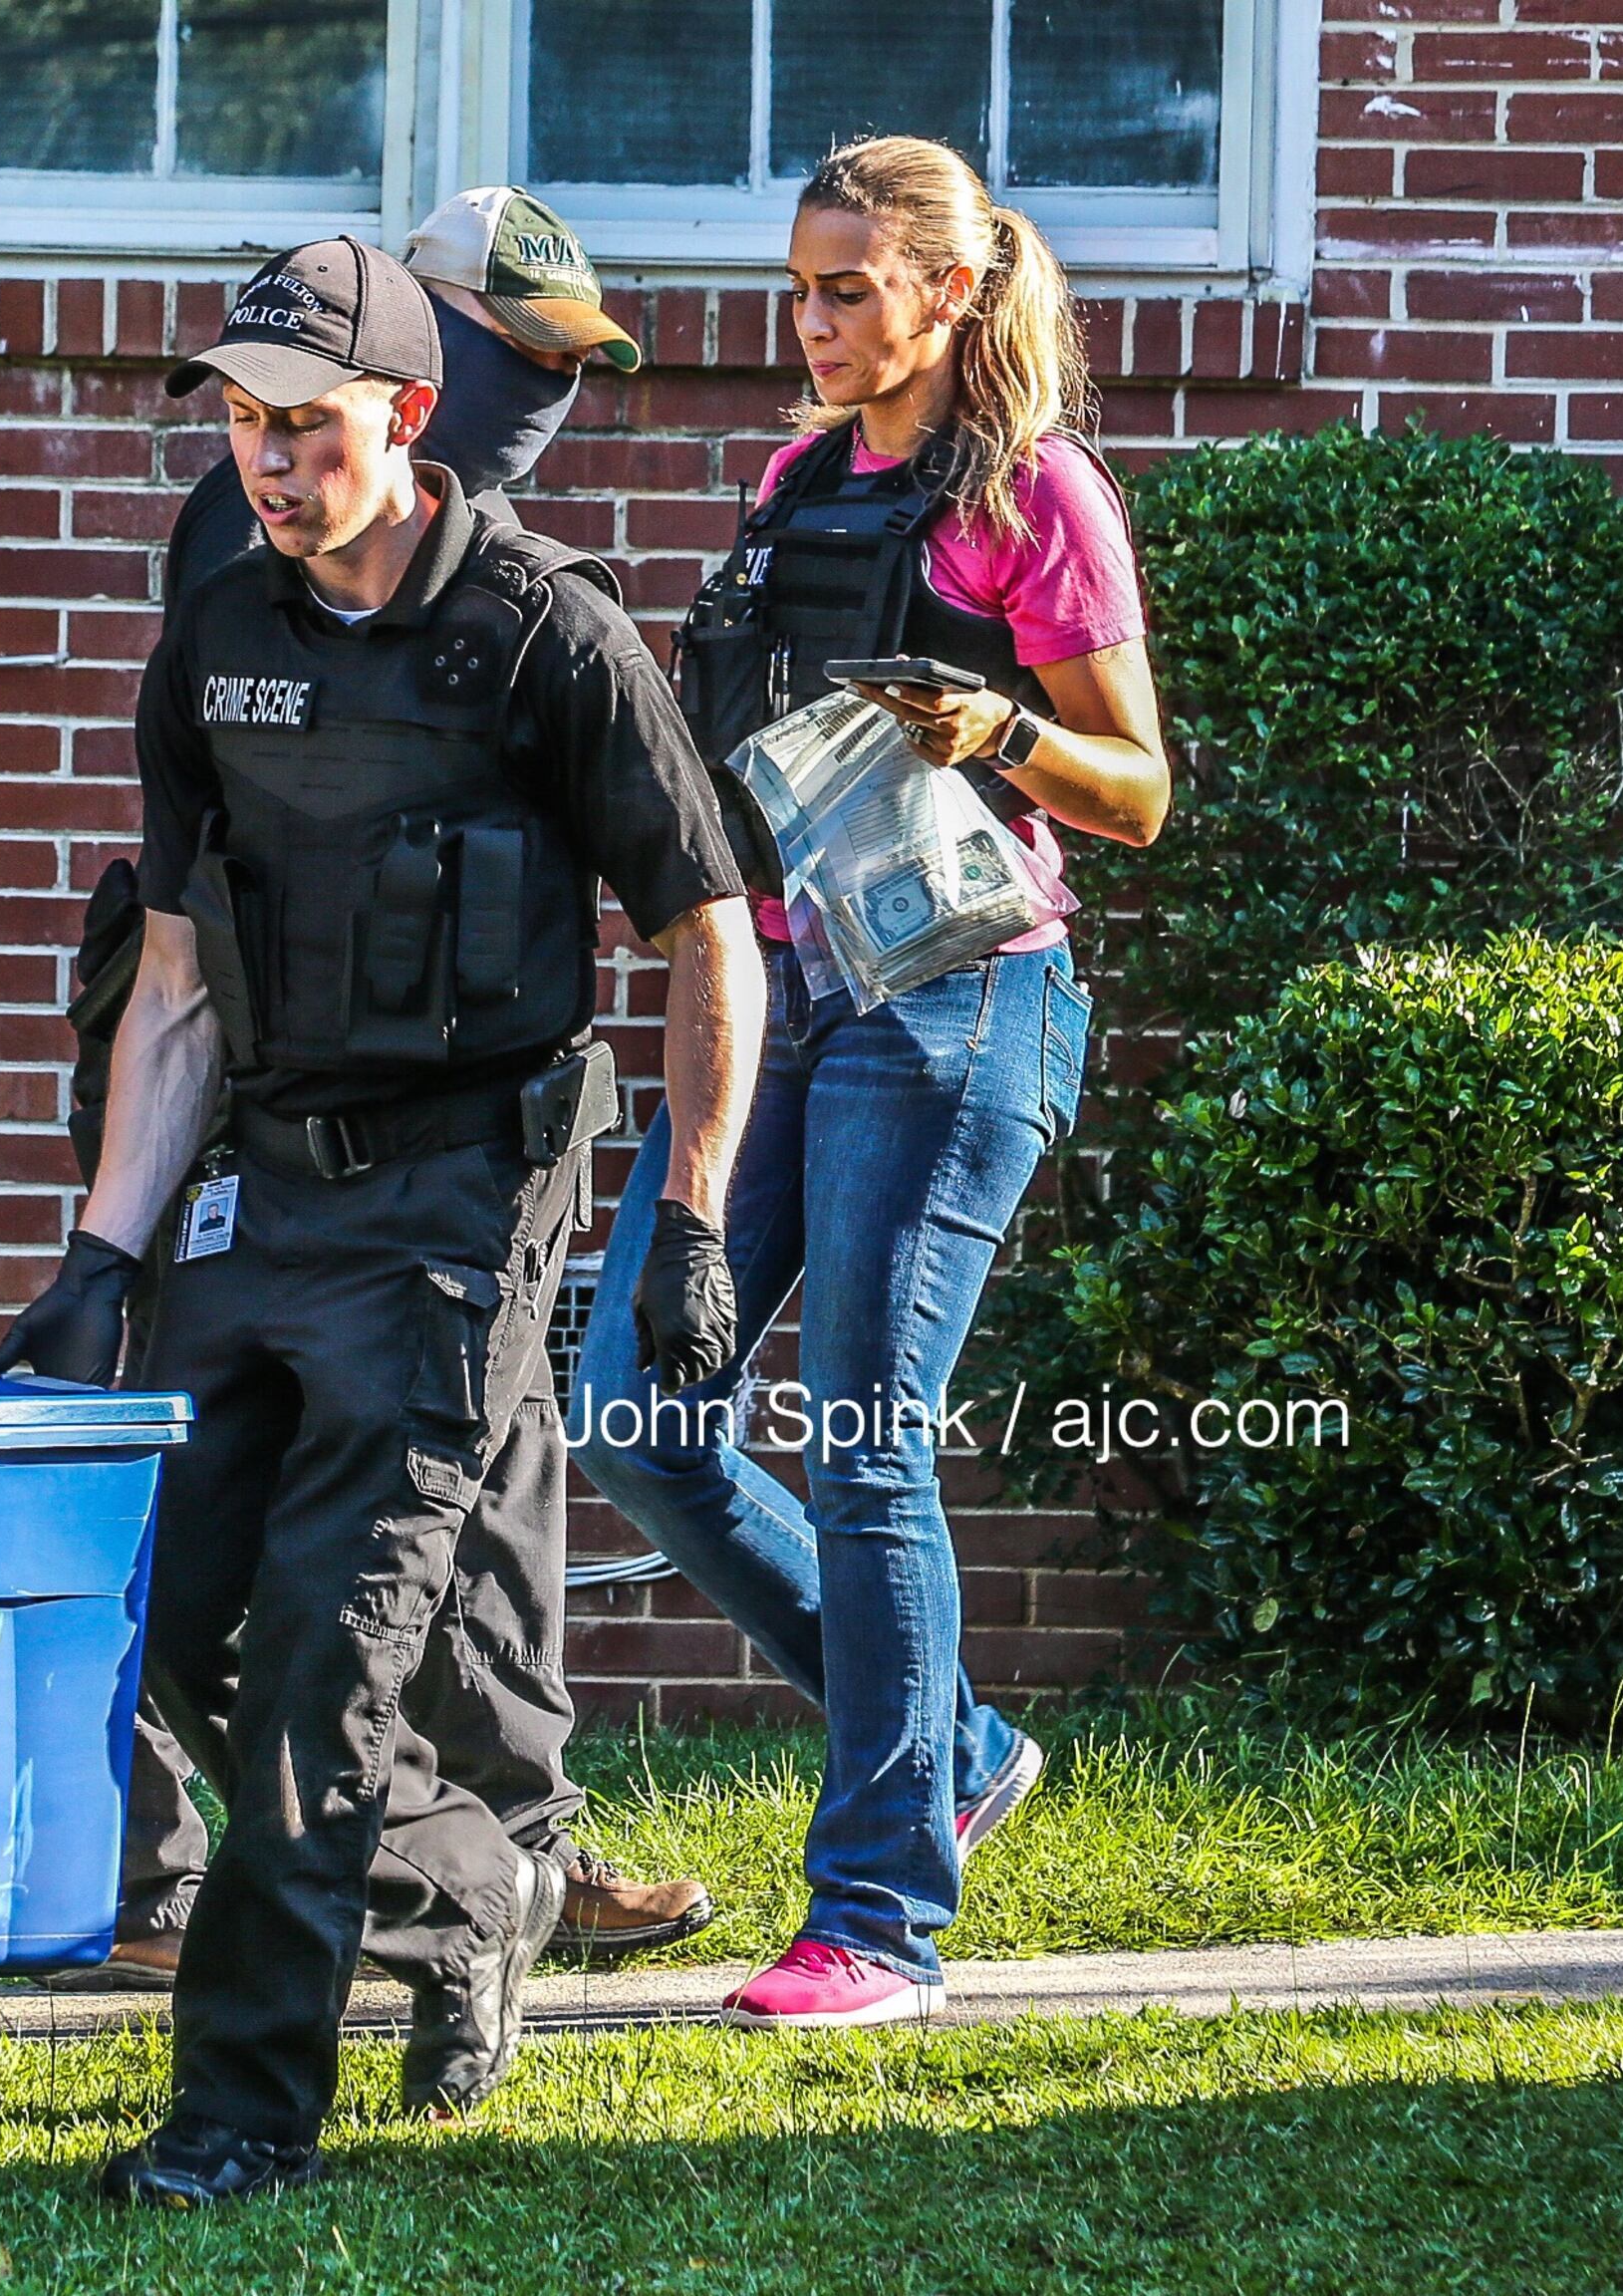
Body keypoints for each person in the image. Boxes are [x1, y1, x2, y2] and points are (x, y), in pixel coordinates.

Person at [0, 239, 764, 2204]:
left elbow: (708, 929)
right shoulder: (218, 635)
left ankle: (241, 2107)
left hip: (456, 1206)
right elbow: (172, 979)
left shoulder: (544, 635)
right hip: (259, 1190)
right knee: (153, 1627)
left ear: (409, 422)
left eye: (305, 425)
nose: (264, 458)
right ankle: (474, 1879)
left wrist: (691, 1210)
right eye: (242, 420)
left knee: (337, 1655)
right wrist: (101, 1256)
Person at [573, 135, 1172, 2031]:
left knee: (858, 1438)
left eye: (851, 287)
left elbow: (1141, 788)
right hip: (783, 994)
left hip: (958, 1003)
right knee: (630, 1414)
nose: (814, 322)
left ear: (951, 288)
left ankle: (880, 1917)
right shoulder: (794, 482)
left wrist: (1000, 725)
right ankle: (955, 1744)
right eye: (801, 286)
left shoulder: (1035, 497)